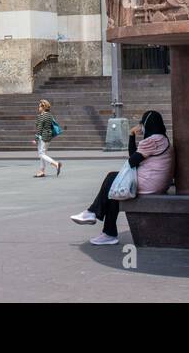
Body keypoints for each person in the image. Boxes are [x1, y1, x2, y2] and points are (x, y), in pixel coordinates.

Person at [71, 110, 173, 245]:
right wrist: (132, 135)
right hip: (157, 183)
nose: (141, 127)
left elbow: (132, 160)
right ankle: (108, 233)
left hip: (150, 184)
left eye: (142, 124)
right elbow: (136, 158)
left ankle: (93, 213)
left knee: (112, 178)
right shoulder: (162, 139)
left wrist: (132, 135)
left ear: (147, 124)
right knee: (115, 188)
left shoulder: (153, 140)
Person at [32, 99, 62, 178]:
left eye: (39, 106)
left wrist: (35, 139)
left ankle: (56, 164)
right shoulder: (49, 115)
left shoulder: (41, 116)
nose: (38, 108)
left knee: (41, 154)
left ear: (43, 107)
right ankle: (42, 171)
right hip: (49, 137)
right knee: (43, 154)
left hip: (43, 137)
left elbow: (39, 129)